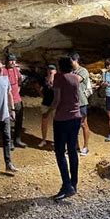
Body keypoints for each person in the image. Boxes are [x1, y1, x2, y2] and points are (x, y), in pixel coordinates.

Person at [47, 57, 82, 201]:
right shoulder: (75, 77)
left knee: (60, 152)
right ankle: (73, 183)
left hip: (62, 119)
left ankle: (67, 185)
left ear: (60, 67)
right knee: (72, 150)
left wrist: (48, 112)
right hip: (76, 117)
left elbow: (57, 99)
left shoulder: (59, 78)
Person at [2, 53, 27, 149]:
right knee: (8, 122)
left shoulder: (16, 70)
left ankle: (17, 139)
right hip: (7, 101)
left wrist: (18, 88)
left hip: (17, 99)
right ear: (7, 61)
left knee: (19, 120)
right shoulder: (3, 71)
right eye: (10, 60)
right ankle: (9, 141)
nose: (12, 62)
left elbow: (20, 80)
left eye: (14, 60)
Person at [69, 52, 91, 156]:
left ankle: (86, 147)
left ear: (75, 60)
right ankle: (75, 147)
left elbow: (77, 80)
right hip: (71, 102)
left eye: (70, 60)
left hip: (81, 102)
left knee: (83, 124)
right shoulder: (71, 71)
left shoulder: (83, 71)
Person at [37, 64, 57, 148]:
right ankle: (44, 139)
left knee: (57, 123)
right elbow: (37, 86)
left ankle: (57, 140)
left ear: (55, 71)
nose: (50, 71)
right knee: (44, 121)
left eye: (52, 69)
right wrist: (41, 95)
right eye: (49, 69)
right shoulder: (43, 79)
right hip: (46, 103)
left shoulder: (58, 80)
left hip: (56, 104)